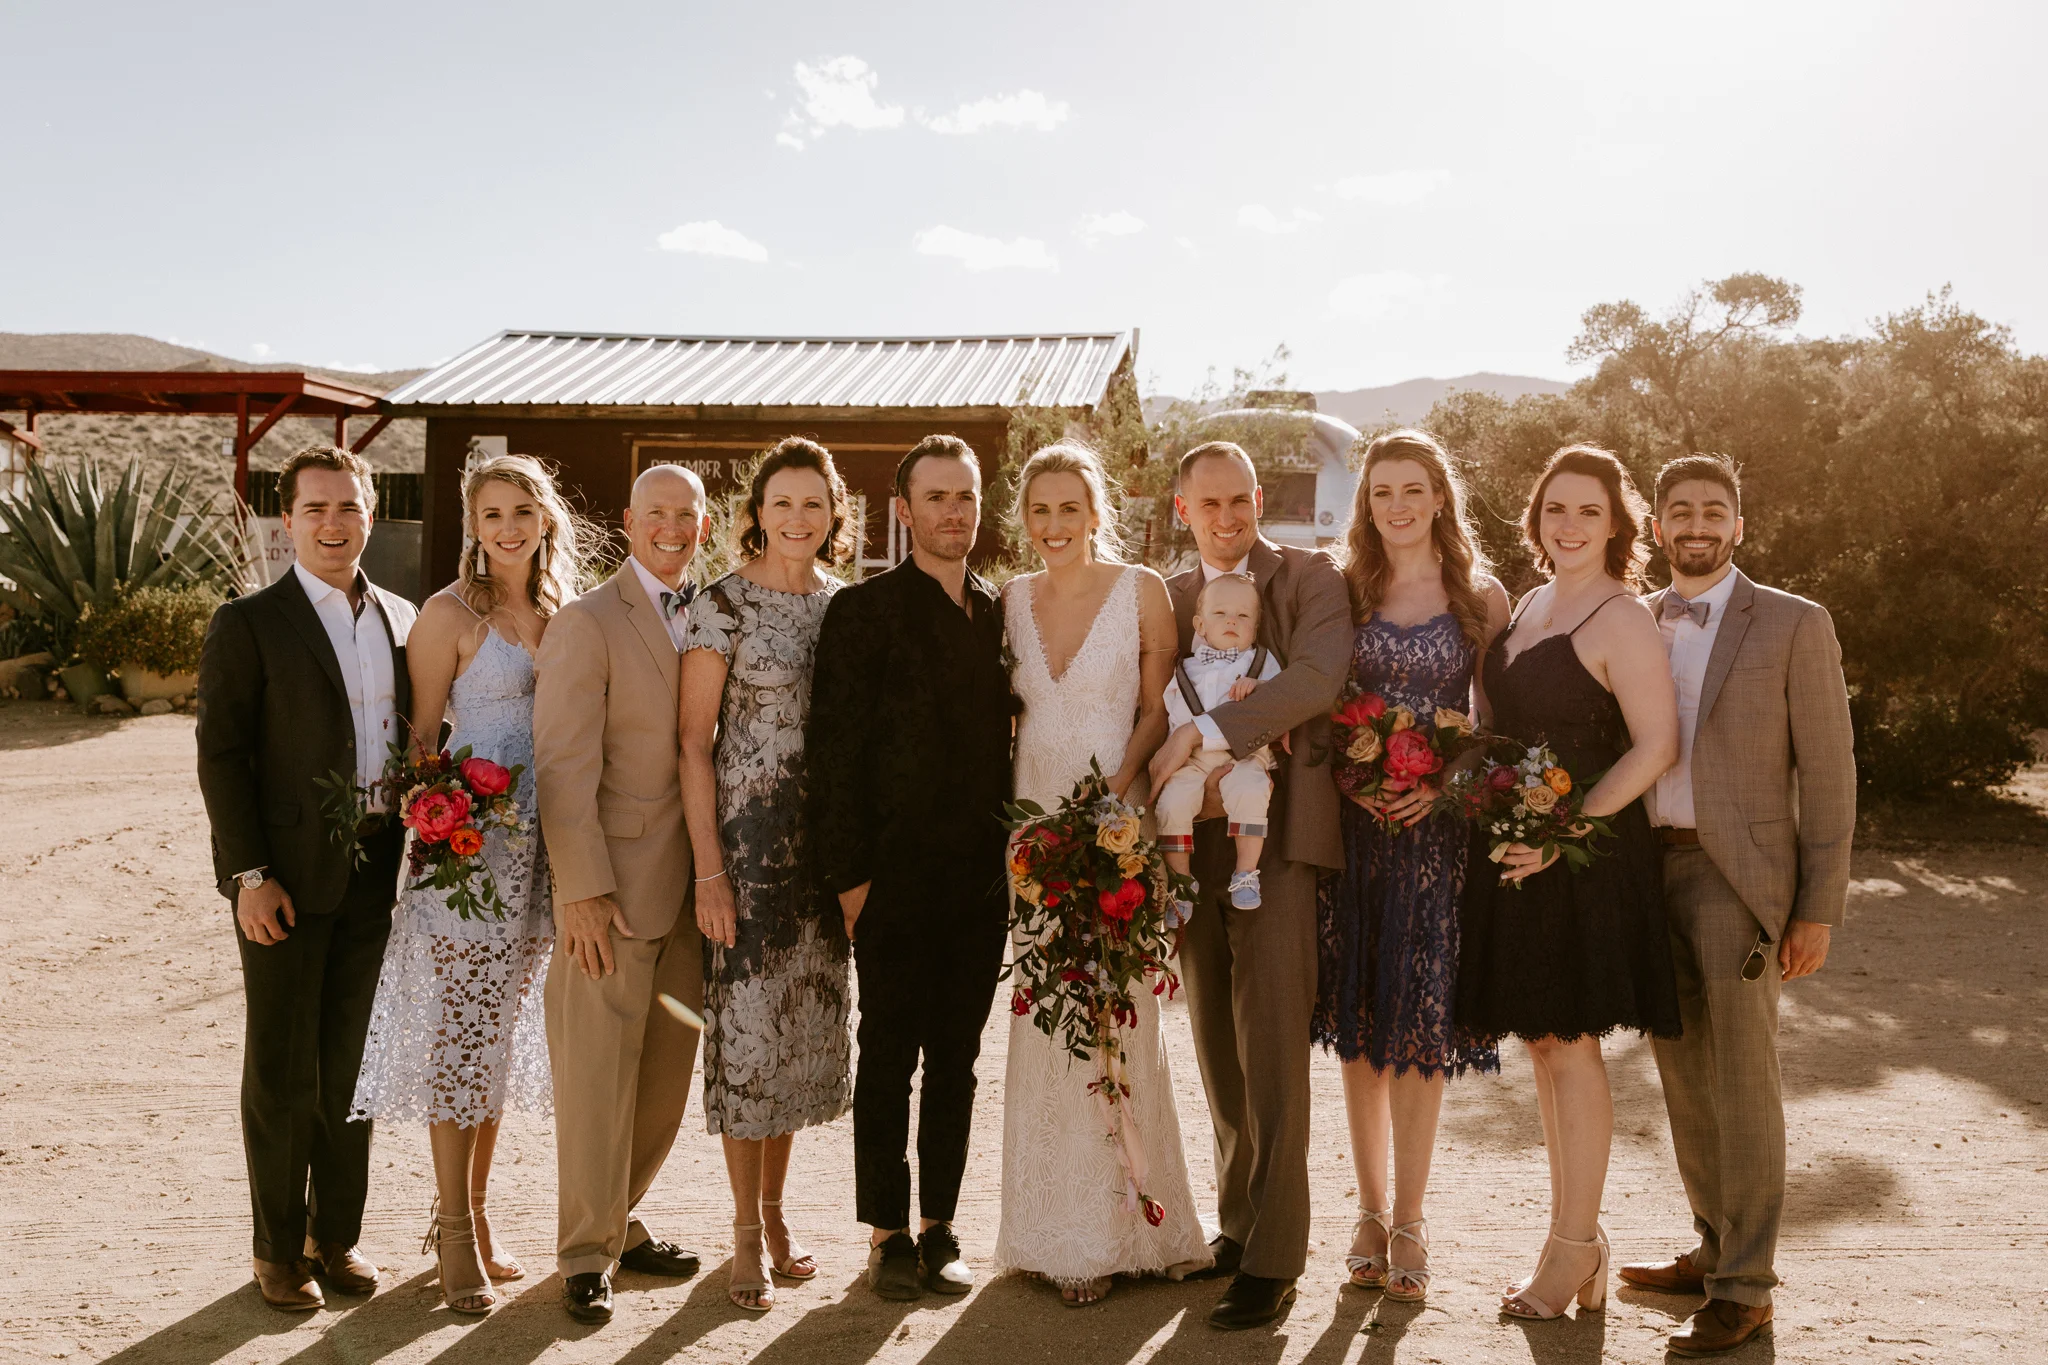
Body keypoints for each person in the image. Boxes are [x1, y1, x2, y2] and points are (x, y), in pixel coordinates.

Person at [1624, 454, 1856, 1357]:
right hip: (1649, 873)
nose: (1696, 524)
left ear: (1739, 526)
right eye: (1678, 510)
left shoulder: (1797, 623)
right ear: (1654, 526)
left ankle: (1748, 1287)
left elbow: (1830, 772)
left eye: (1713, 510)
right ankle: (1717, 1247)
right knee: (1681, 1075)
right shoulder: (1635, 619)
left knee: (1745, 1084)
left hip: (1740, 881)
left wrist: (1816, 907)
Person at [1455, 444, 1682, 1321]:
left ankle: (1576, 1247)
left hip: (1581, 861)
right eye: (1556, 509)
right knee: (1545, 1046)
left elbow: (1657, 744)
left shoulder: (1622, 618)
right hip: (1516, 854)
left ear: (1617, 523)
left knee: (1572, 1046)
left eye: (1589, 511)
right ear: (1537, 519)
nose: (1570, 525)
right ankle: (1571, 1244)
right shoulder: (1529, 605)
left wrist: (1565, 830)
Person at [347, 454, 579, 1313]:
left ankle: (477, 1216)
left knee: (498, 1040)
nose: (509, 527)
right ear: (473, 527)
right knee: (461, 1041)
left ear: (544, 517)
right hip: (470, 858)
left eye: (523, 510)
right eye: (492, 515)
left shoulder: (561, 610)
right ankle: (449, 1230)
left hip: (544, 856)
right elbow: (419, 748)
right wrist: (441, 822)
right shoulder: (448, 615)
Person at [195, 444, 418, 1311]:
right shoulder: (249, 622)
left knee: (352, 1065)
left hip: (377, 871)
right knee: (285, 1069)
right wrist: (247, 875)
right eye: (316, 509)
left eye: (349, 507)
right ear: (287, 519)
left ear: (372, 514)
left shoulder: (399, 616)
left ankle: (339, 1237)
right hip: (283, 878)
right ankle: (277, 1248)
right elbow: (222, 756)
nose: (334, 524)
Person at [992, 442, 1213, 1305]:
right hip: (1032, 833)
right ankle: (1048, 1227)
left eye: (1069, 509)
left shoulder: (1142, 590)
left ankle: (1125, 1225)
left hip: (1111, 823)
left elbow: (1160, 705)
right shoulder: (1010, 599)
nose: (1054, 526)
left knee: (1114, 1014)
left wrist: (1112, 797)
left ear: (1096, 511)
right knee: (1045, 1014)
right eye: (1039, 511)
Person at [805, 435, 1014, 1303]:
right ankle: (888, 1231)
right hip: (889, 877)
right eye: (935, 497)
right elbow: (834, 754)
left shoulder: (1000, 613)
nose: (952, 512)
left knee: (959, 1059)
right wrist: (851, 880)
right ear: (904, 510)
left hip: (976, 878)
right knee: (888, 1052)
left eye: (964, 496)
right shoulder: (864, 611)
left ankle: (941, 1226)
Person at [1149, 440, 1352, 1330]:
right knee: (1214, 1043)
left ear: (1260, 497)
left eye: (1240, 501)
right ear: (1182, 508)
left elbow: (1316, 678)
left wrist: (1202, 736)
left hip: (1273, 841)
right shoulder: (1167, 594)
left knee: (1270, 1043)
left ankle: (1275, 1256)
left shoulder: (1308, 577)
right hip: (1186, 844)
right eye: (1210, 506)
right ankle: (1238, 1222)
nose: (1228, 520)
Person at [1312, 430, 1509, 1303]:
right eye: (1381, 490)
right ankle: (1366, 1207)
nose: (1396, 504)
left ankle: (1414, 1219)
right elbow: (1315, 704)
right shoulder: (1342, 588)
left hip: (1436, 839)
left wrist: (1447, 789)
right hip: (1355, 838)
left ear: (1439, 497)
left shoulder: (1481, 596)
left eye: (1412, 489)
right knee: (1361, 1019)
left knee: (1419, 1024)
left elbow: (1494, 726)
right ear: (1367, 502)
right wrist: (1352, 783)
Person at [533, 462, 711, 1325]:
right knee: (598, 1075)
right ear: (630, 520)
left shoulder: (711, 610)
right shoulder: (586, 622)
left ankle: (619, 1219)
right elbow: (564, 767)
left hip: (696, 889)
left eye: (686, 515)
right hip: (614, 887)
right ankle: (583, 1253)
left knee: (664, 1078)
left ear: (703, 527)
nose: (671, 528)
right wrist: (582, 890)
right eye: (656, 514)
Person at [678, 438, 854, 1313]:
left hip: (824, 858)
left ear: (833, 513)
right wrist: (709, 868)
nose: (798, 518)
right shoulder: (724, 605)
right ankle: (743, 1230)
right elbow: (691, 742)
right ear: (757, 512)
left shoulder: (844, 608)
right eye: (782, 503)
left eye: (813, 504)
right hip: (746, 854)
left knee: (797, 1038)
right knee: (748, 1041)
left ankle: (778, 1214)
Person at [1155, 573, 1283, 910]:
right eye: (1220, 613)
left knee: (1252, 790)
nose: (1231, 620)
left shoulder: (1261, 662)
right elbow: (1169, 714)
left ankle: (1245, 873)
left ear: (1256, 626)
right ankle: (1181, 885)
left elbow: (1283, 703)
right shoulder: (1184, 669)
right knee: (1172, 804)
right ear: (1199, 624)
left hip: (1244, 754)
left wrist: (1258, 687)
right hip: (1192, 760)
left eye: (1243, 616)